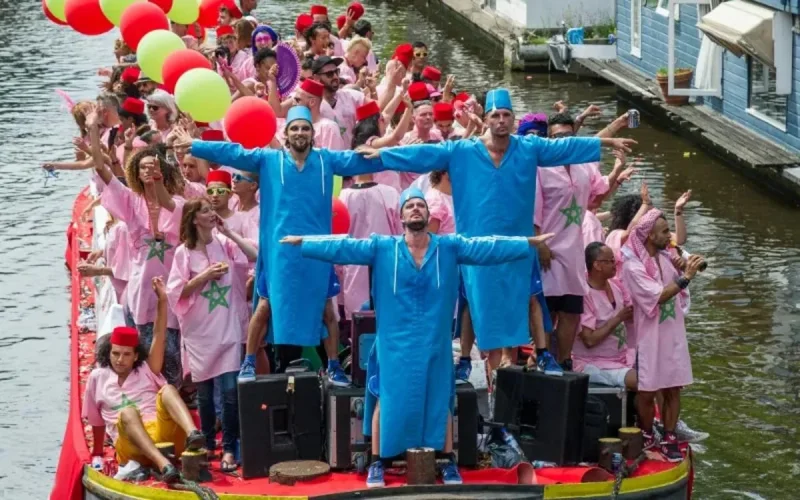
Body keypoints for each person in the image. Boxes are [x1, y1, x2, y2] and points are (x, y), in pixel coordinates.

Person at [282, 187, 555, 488]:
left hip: (434, 341)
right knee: (386, 398)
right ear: (400, 216)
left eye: (420, 205)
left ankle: (447, 461)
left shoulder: (449, 247)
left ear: (428, 214)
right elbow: (344, 247)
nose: (415, 209)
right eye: (409, 205)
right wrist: (305, 242)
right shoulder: (382, 247)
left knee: (442, 401)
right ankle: (378, 463)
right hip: (394, 342)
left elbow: (486, 248)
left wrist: (525, 243)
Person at [356, 88, 636, 373]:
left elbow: (566, 147)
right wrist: (383, 154)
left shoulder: (528, 148)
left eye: (506, 115)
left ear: (513, 120)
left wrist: (607, 139)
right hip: (475, 242)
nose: (501, 120)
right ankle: (465, 358)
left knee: (531, 298)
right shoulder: (463, 150)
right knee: (469, 301)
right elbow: (423, 154)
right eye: (495, 115)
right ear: (486, 119)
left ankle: (542, 354)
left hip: (518, 242)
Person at [174, 106, 383, 384]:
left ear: (312, 134)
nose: (300, 133)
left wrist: (385, 152)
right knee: (266, 305)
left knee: (326, 309)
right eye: (294, 128)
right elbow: (233, 153)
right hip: (280, 254)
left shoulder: (326, 160)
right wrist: (197, 145)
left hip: (316, 251)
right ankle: (249, 362)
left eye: (305, 128)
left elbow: (360, 161)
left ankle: (333, 365)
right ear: (286, 134)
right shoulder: (268, 159)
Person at [90, 111, 186, 387]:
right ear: (135, 171)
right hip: (141, 292)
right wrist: (94, 130)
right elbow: (100, 167)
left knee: (171, 355)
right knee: (145, 356)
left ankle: (177, 398)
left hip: (171, 290)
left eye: (152, 166)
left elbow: (167, 204)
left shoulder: (176, 204)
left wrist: (157, 183)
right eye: (142, 167)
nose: (147, 170)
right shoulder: (130, 202)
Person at [166, 198, 258, 472]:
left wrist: (229, 232)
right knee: (205, 395)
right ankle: (207, 443)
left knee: (230, 392)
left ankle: (230, 447)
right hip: (199, 332)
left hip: (227, 327)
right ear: (194, 218)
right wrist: (204, 276)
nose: (212, 214)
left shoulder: (224, 243)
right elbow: (176, 292)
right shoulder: (183, 253)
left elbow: (253, 255)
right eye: (206, 210)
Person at [83, 280, 204, 483]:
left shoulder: (148, 369)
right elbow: (96, 422)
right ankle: (163, 465)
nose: (120, 360)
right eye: (115, 354)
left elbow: (159, 335)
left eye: (126, 355)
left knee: (167, 390)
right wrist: (96, 453)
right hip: (129, 444)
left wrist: (162, 300)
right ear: (108, 353)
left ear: (136, 356)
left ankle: (193, 435)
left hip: (163, 435)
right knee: (128, 412)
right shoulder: (97, 377)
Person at [535, 112, 626, 370]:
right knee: (547, 310)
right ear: (548, 140)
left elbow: (596, 200)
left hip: (575, 250)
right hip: (549, 248)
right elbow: (532, 210)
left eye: (566, 136)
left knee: (572, 311)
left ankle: (564, 361)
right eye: (555, 137)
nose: (562, 142)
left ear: (574, 136)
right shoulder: (541, 168)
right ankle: (540, 358)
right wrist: (539, 245)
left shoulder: (585, 165)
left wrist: (617, 174)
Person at [621, 209, 703, 462]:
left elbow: (678, 290)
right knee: (647, 392)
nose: (670, 236)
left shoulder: (669, 257)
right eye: (665, 232)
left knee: (674, 387)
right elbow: (656, 296)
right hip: (649, 336)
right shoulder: (633, 265)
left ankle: (668, 435)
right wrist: (686, 277)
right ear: (649, 235)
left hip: (673, 332)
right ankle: (647, 432)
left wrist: (682, 268)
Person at [574, 242, 635, 390]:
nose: (615, 265)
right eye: (610, 261)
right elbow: (589, 339)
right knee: (643, 382)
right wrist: (618, 318)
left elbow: (632, 314)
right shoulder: (583, 294)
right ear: (597, 265)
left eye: (614, 260)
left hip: (624, 357)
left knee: (658, 375)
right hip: (594, 363)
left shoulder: (617, 285)